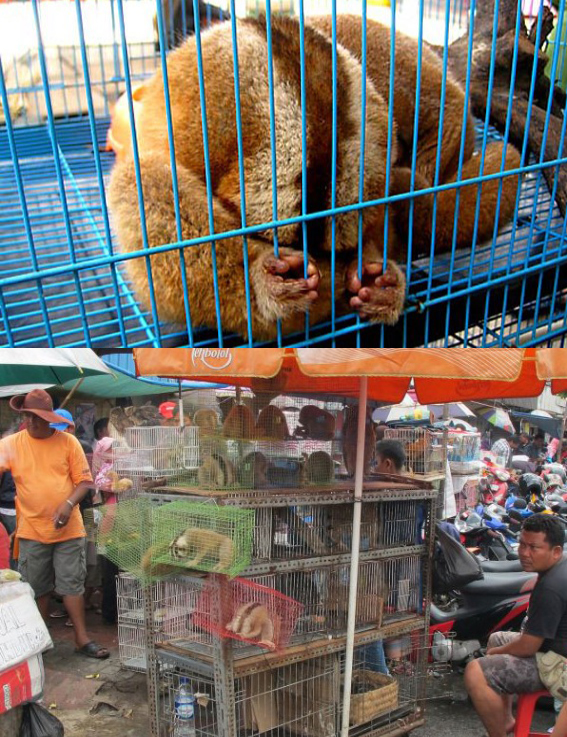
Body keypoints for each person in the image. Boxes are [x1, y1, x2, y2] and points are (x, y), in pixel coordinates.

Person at [0, 389, 109, 659]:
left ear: (50, 419)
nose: (32, 422)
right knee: (37, 586)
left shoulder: (68, 443)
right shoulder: (11, 444)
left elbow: (84, 481)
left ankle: (81, 638)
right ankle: (40, 637)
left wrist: (68, 504)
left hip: (68, 529)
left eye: (37, 418)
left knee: (72, 584)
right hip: (32, 529)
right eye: (27, 416)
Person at [464, 514, 567, 737]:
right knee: (496, 638)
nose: (524, 553)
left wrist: (494, 654)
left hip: (558, 663)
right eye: (522, 544)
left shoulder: (551, 588)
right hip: (552, 647)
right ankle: (508, 720)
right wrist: (497, 648)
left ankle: (498, 733)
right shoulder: (560, 564)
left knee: (476, 671)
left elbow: (528, 646)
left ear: (555, 551)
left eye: (533, 547)